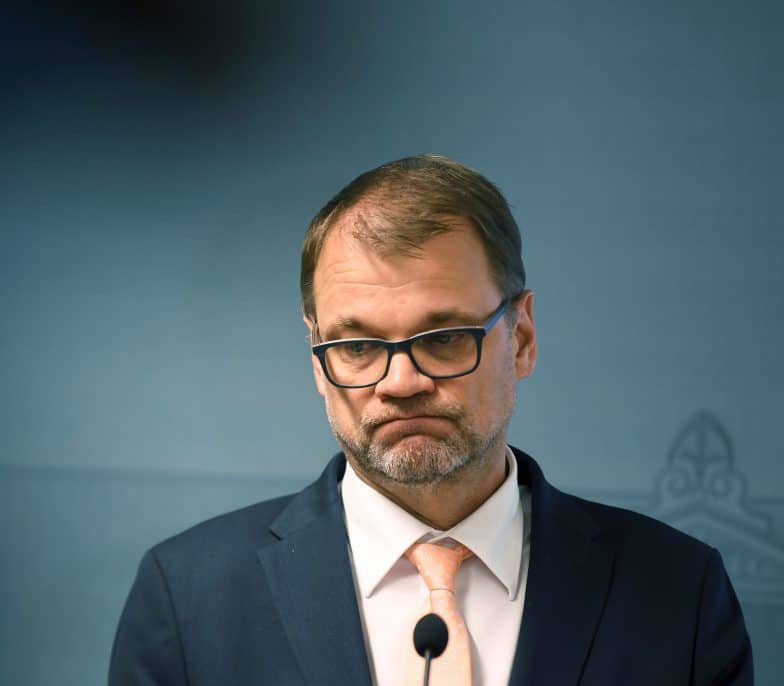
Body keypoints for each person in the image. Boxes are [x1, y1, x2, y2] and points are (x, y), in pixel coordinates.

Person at [109, 155, 753, 685]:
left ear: (522, 338)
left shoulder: (679, 591)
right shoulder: (188, 596)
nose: (401, 383)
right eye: (357, 347)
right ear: (318, 362)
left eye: (443, 338)